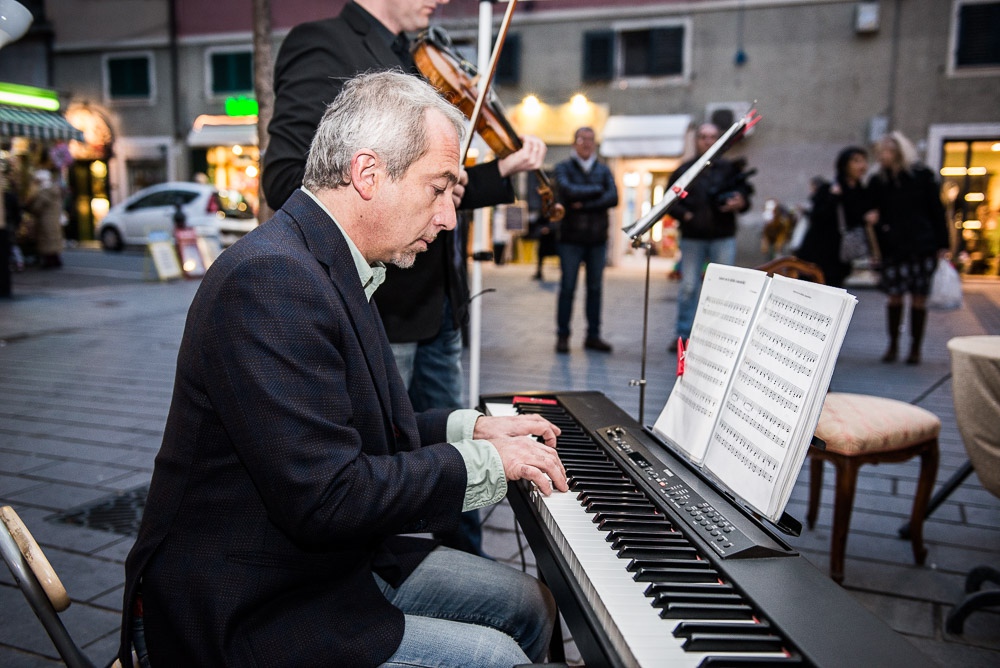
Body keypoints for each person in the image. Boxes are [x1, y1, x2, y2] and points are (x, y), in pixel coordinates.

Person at [119, 71, 566, 668]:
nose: (448, 218)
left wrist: (474, 429)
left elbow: (367, 429)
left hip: (322, 566)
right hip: (246, 605)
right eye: (438, 189)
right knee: (498, 658)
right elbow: (328, 497)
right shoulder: (271, 280)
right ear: (368, 174)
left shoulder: (331, 259)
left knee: (529, 604)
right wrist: (486, 464)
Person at [263, 0, 547, 557]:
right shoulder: (322, 43)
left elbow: (427, 190)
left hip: (438, 300)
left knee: (430, 441)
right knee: (373, 454)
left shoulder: (418, 55)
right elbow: (290, 178)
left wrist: (490, 176)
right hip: (383, 301)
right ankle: (393, 569)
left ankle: (463, 565)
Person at [667, 123, 752, 352]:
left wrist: (740, 202)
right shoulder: (685, 169)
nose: (708, 141)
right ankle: (683, 335)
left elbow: (745, 196)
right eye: (703, 137)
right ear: (697, 140)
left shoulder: (729, 168)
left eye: (713, 137)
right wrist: (686, 215)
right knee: (688, 287)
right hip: (693, 237)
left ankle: (719, 337)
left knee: (723, 288)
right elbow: (669, 201)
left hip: (723, 236)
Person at [868, 131, 949, 365]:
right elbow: (870, 210)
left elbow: (937, 211)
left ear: (899, 152)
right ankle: (893, 344)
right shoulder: (878, 180)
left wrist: (943, 244)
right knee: (894, 297)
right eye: (880, 152)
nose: (882, 156)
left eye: (887, 151)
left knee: (918, 298)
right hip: (893, 247)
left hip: (922, 245)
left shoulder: (922, 176)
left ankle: (915, 348)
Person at [553, 126, 618, 354]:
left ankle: (593, 336)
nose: (587, 143)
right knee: (568, 287)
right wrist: (597, 192)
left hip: (597, 239)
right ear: (574, 143)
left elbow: (613, 197)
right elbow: (567, 191)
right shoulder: (562, 168)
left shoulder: (603, 169)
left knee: (595, 289)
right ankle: (563, 336)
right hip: (570, 238)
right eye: (582, 139)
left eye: (591, 139)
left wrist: (583, 204)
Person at [797, 146, 875, 288]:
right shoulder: (828, 189)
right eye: (856, 161)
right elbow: (817, 216)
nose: (861, 166)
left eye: (863, 161)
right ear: (845, 165)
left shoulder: (862, 193)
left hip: (841, 255)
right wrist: (833, 198)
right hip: (819, 251)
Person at [25, 169, 64, 269]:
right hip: (54, 219)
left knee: (47, 240)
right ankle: (55, 259)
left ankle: (49, 261)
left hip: (45, 220)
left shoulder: (44, 192)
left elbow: (37, 207)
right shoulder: (54, 189)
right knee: (53, 240)